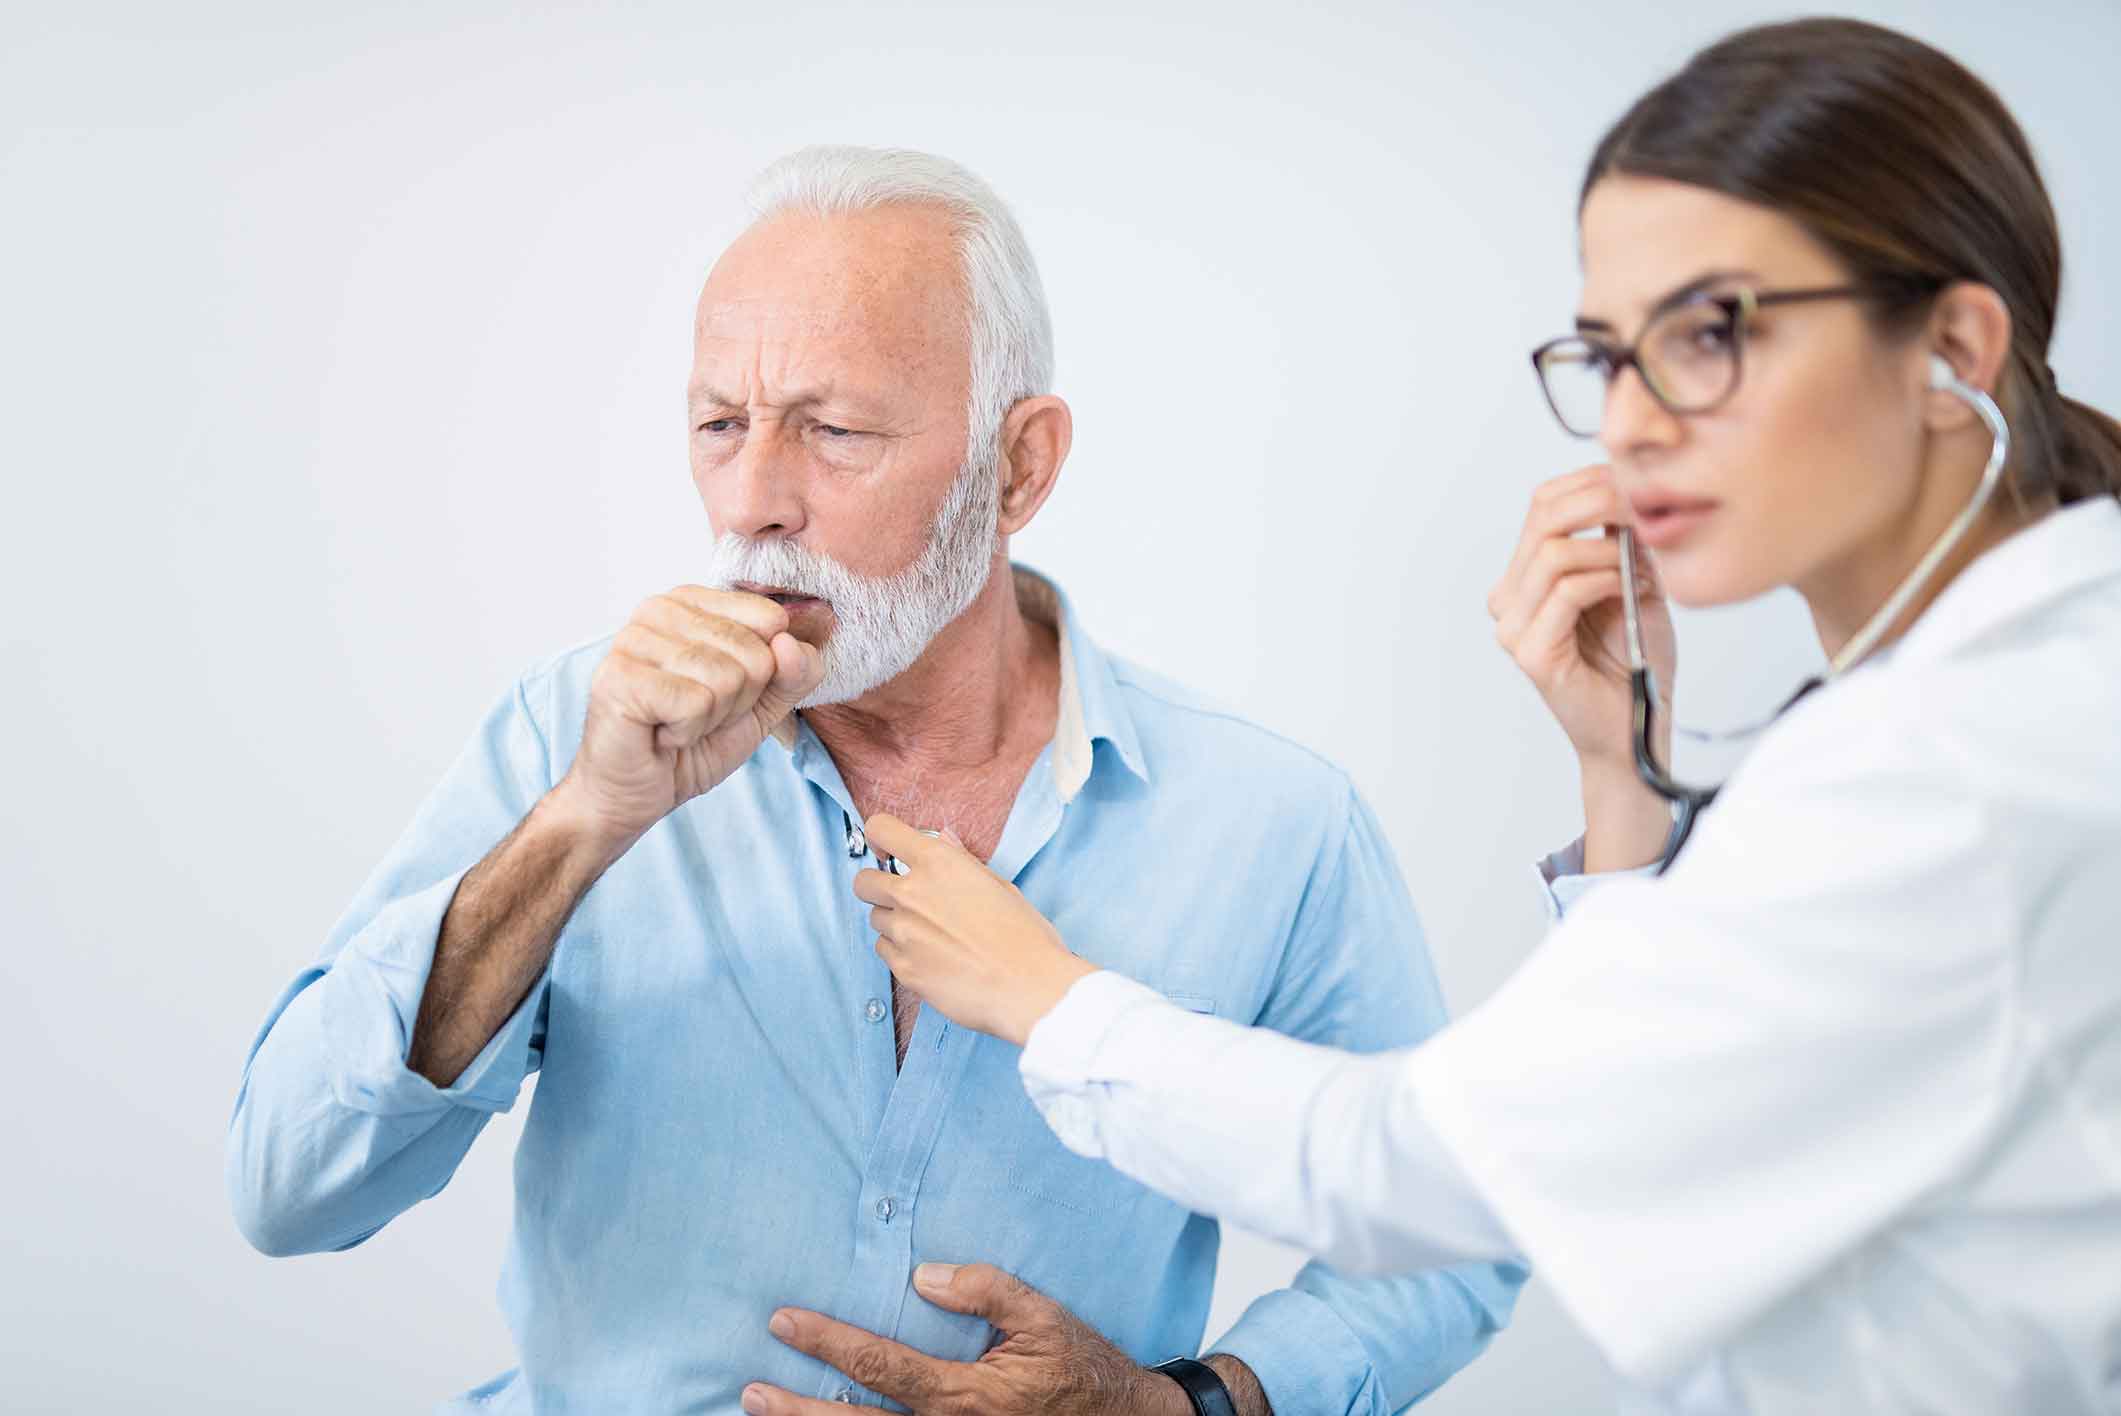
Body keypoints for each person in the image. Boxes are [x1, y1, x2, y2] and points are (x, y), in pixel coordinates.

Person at [845, 21, 2121, 1415]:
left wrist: (1044, 995)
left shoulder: (1967, 763)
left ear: (1951, 350)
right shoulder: (1968, 710)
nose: (1627, 422)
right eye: (1607, 353)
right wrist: (1617, 774)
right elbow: (1653, 1127)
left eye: (1709, 335)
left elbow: (1421, 1173)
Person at [224, 145, 1522, 1415]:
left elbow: (1453, 1231)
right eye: (719, 425)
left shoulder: (1269, 825)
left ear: (1020, 464)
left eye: (833, 431)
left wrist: (1183, 1408)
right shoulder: (567, 738)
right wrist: (584, 822)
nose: (751, 503)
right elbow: (293, 1190)